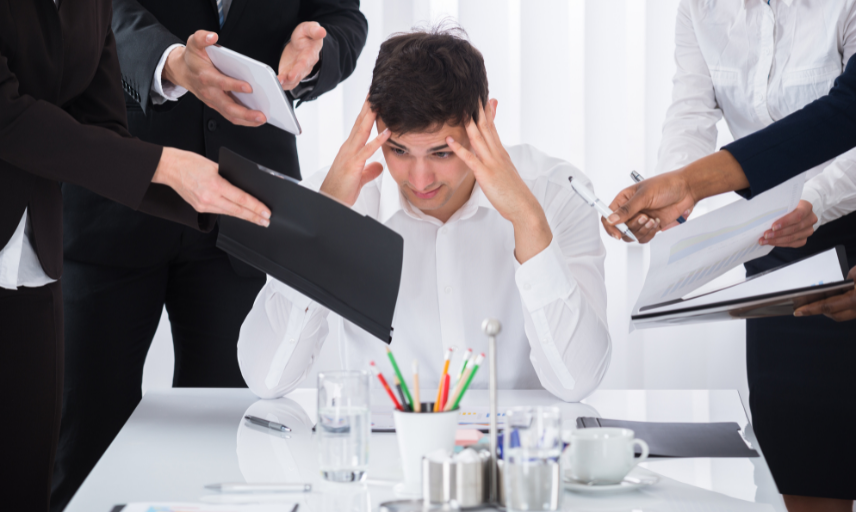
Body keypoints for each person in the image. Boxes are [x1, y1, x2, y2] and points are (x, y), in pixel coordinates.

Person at [51, 1, 367, 509]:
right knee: (86, 439)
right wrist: (170, 61)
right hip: (117, 193)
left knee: (233, 442)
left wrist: (318, 53)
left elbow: (342, 17)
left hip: (246, 207)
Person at [236, 28, 611, 403]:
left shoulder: (558, 193)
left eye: (441, 153)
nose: (419, 180)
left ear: (487, 122)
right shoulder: (332, 198)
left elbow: (576, 382)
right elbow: (267, 379)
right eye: (398, 150)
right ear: (375, 126)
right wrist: (323, 220)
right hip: (385, 453)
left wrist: (528, 221)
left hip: (514, 451)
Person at [0, 0, 271, 509]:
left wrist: (206, 194)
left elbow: (103, 133)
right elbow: (8, 115)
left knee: (28, 480)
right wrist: (166, 165)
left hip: (30, 260)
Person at [603, 4, 856, 506]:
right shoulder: (700, 7)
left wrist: (818, 199)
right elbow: (691, 112)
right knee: (805, 463)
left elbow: (844, 115)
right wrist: (672, 192)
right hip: (775, 239)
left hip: (840, 213)